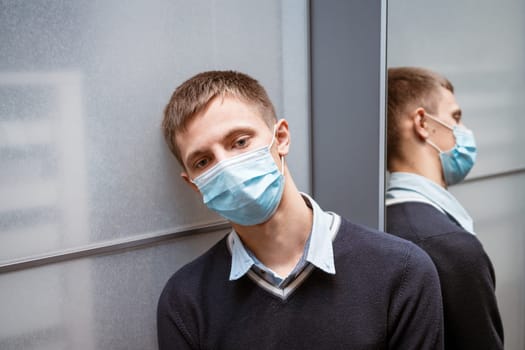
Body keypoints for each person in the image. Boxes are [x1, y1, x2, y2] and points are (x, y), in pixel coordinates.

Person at [157, 70, 443, 349]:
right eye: (203, 162)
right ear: (194, 184)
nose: (227, 168)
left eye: (240, 142)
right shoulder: (185, 301)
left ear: (280, 138)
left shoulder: (401, 271)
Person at [385, 67, 504, 350]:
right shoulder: (450, 246)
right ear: (423, 123)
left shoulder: (376, 223)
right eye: (456, 118)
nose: (464, 132)